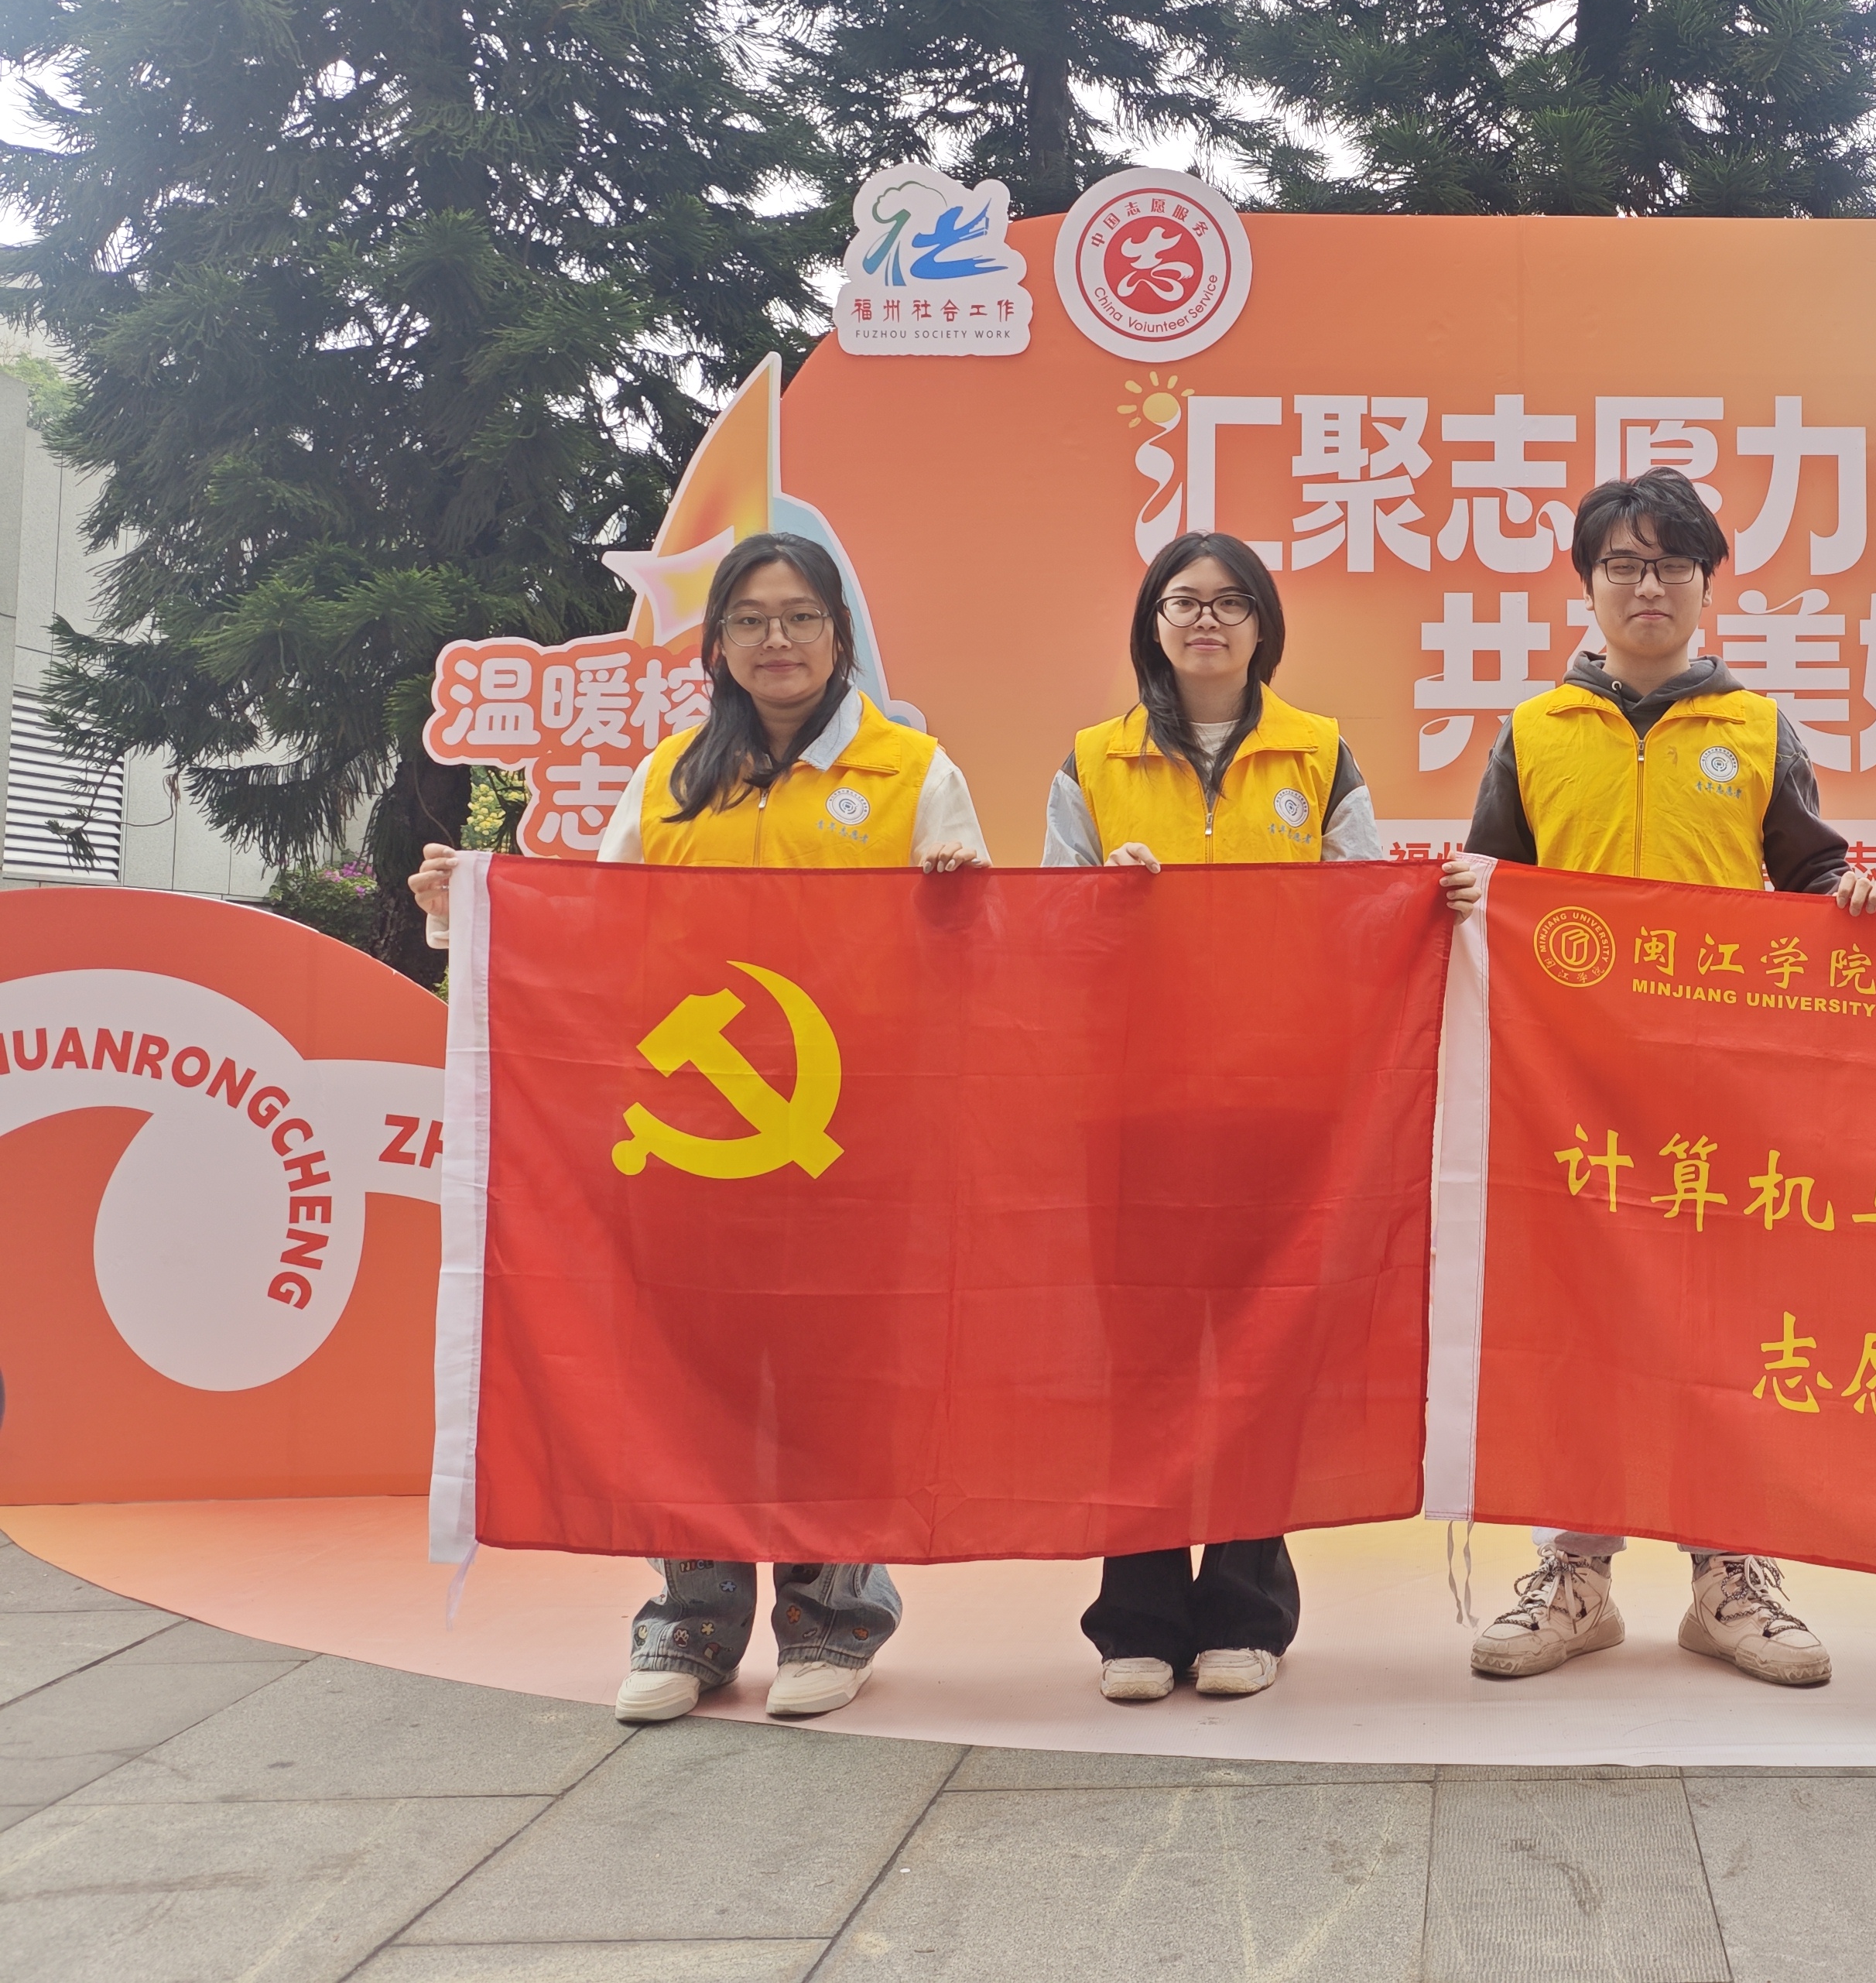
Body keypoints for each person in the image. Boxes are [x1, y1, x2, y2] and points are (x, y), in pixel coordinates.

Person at [408, 530, 988, 1725]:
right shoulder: (670, 777)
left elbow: (980, 962)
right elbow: (598, 930)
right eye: (751, 621)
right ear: (716, 644)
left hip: (856, 1133)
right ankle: (692, 1620)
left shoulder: (912, 772)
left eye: (801, 617)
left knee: (833, 1379)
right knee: (688, 1375)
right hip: (690, 1138)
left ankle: (834, 1617)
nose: (778, 641)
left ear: (839, 636)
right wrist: (474, 912)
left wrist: (959, 897)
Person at [1458, 466, 1876, 1690]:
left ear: (1707, 585)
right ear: (1589, 586)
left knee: (1723, 1329)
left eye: (1670, 564)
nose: (1646, 585)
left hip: (1719, 1095)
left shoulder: (1757, 728)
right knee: (1581, 1328)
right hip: (1572, 1092)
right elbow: (1491, 888)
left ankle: (1729, 1578)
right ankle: (1576, 1577)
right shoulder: (1535, 732)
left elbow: (1810, 871)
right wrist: (1454, 895)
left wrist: (1851, 892)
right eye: (1623, 564)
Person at [1045, 531, 1482, 1706]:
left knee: (1260, 1353)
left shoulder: (1320, 755)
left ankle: (1245, 1609)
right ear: (1152, 622)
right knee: (1144, 1362)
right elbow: (1048, 930)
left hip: (1278, 1103)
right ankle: (1136, 1616)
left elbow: (1361, 911)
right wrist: (1101, 900)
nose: (1207, 620)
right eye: (1185, 601)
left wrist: (1427, 898)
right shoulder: (1091, 760)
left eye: (1232, 602)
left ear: (1263, 628)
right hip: (1137, 1105)